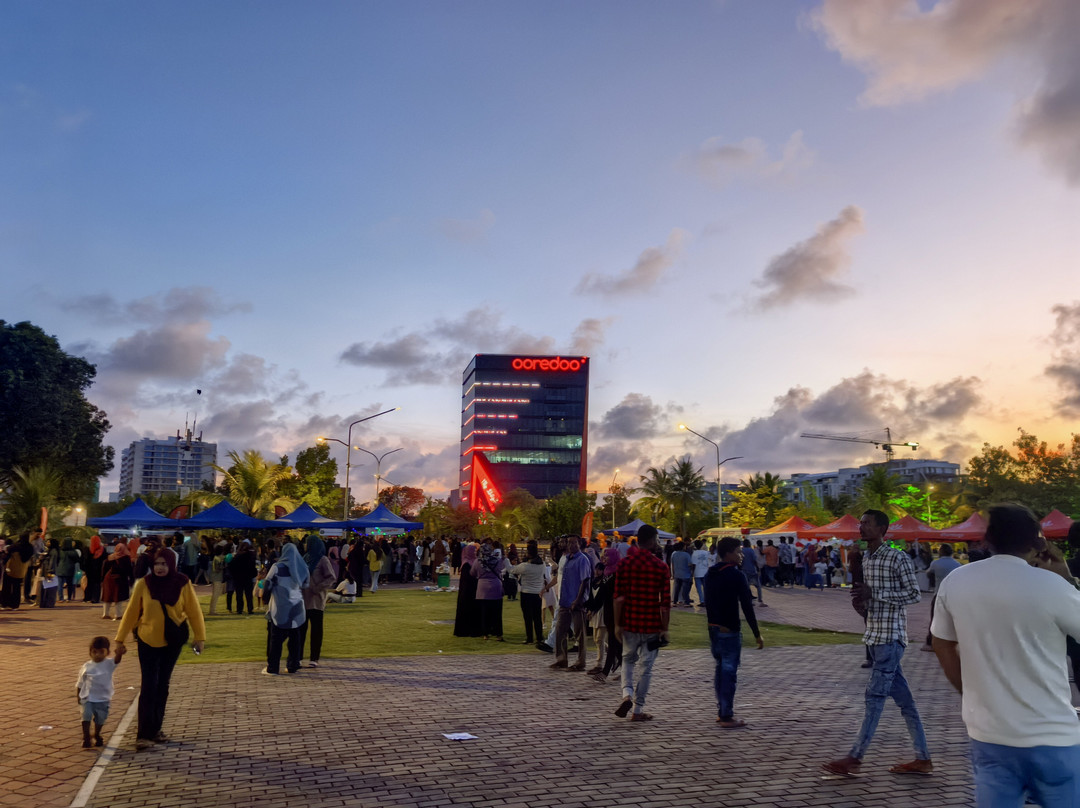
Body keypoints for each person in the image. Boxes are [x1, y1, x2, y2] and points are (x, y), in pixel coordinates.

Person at [931, 505, 1080, 807]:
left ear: (988, 539)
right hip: (1052, 735)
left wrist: (968, 691)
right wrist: (1068, 579)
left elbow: (942, 643)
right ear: (1038, 542)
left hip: (990, 732)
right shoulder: (1053, 586)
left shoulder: (957, 581)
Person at [822, 510, 931, 778]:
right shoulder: (867, 558)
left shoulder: (897, 557)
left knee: (874, 698)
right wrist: (862, 605)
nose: (862, 527)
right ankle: (923, 758)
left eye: (867, 523)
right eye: (861, 523)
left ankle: (855, 756)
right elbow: (872, 601)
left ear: (882, 529)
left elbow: (914, 594)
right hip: (874, 636)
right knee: (906, 704)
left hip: (890, 638)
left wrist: (876, 594)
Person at [115, 547, 206, 751]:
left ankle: (156, 729)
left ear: (171, 564)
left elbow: (193, 610)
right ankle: (143, 735)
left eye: (164, 564)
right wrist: (120, 639)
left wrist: (200, 637)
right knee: (149, 685)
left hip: (172, 641)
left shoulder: (182, 582)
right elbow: (131, 612)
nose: (160, 568)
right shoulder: (144, 584)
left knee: (162, 684)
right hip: (147, 639)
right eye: (157, 564)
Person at [704, 537, 764, 728]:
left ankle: (722, 710)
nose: (741, 555)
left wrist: (714, 623)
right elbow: (747, 606)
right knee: (729, 672)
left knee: (720, 669)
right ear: (728, 553)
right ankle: (726, 714)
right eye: (738, 551)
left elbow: (709, 602)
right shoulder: (736, 575)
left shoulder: (710, 573)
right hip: (729, 629)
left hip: (714, 628)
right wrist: (756, 633)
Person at [613, 524, 670, 722]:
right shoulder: (661, 567)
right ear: (653, 540)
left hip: (630, 622)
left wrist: (617, 624)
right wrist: (665, 628)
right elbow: (665, 603)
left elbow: (618, 598)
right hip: (652, 625)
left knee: (628, 660)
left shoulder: (625, 564)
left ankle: (626, 694)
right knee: (646, 668)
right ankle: (638, 709)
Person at [262, 542, 308, 675]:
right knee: (295, 639)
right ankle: (293, 665)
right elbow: (306, 584)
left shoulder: (277, 567)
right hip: (297, 608)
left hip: (280, 608)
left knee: (276, 639)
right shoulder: (302, 567)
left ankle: (273, 668)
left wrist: (265, 599)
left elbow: (267, 584)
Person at [550, 536, 592, 671]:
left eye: (574, 542)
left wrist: (578, 600)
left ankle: (581, 662)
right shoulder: (567, 559)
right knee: (560, 630)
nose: (571, 545)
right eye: (569, 543)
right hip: (565, 600)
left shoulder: (582, 559)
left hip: (577, 602)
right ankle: (561, 659)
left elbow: (585, 581)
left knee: (579, 633)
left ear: (579, 544)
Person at [76, 636, 125, 748]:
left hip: (103, 698)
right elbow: (80, 682)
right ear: (90, 652)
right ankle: (86, 738)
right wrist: (78, 696)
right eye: (94, 652)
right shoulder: (86, 666)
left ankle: (96, 734)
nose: (97, 655)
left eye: (101, 652)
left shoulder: (109, 664)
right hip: (87, 697)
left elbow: (117, 660)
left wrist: (120, 653)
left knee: (100, 719)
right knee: (86, 716)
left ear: (108, 652)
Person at [299, 535, 336, 668]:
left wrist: (318, 587)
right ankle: (298, 657)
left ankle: (314, 658)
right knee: (300, 630)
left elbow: (331, 577)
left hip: (316, 600)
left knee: (316, 630)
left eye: (307, 543)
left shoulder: (322, 559)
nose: (305, 545)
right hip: (303, 600)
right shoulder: (305, 558)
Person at [920, 543, 961, 651]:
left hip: (938, 594)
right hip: (953, 595)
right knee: (952, 620)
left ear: (940, 552)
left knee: (934, 619)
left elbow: (928, 573)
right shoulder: (957, 564)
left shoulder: (935, 563)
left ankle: (930, 642)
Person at [511, 540, 549, 645]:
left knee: (528, 617)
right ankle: (539, 637)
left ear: (529, 554)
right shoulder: (542, 565)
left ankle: (530, 638)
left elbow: (513, 570)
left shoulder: (525, 566)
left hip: (526, 592)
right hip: (537, 593)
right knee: (537, 616)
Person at [472, 542, 510, 641]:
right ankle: (498, 634)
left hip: (482, 589)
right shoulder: (497, 560)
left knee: (485, 613)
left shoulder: (477, 561)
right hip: (496, 587)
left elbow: (472, 573)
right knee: (497, 613)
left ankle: (485, 634)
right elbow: (501, 569)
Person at [453, 543, 482, 638]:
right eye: (473, 551)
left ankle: (467, 630)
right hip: (469, 592)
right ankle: (468, 631)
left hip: (467, 593)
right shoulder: (468, 564)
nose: (475, 553)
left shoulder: (468, 563)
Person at [101, 541, 133, 620]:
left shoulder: (110, 557)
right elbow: (129, 570)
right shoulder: (125, 558)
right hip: (119, 579)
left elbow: (104, 568)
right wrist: (131, 579)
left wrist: (102, 579)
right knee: (118, 597)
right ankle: (118, 615)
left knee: (107, 596)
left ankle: (105, 614)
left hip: (108, 578)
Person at [1, 533, 33, 610]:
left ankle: (5, 603)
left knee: (7, 587)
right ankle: (15, 605)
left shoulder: (16, 546)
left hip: (11, 568)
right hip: (21, 570)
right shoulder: (30, 547)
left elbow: (8, 551)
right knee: (17, 588)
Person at [228, 539, 257, 615]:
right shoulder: (250, 556)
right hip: (247, 577)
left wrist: (234, 575)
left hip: (238, 578)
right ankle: (250, 609)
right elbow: (253, 567)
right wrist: (253, 574)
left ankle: (239, 609)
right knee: (249, 595)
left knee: (239, 594)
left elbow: (231, 567)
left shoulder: (237, 557)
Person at [740, 539, 766, 606]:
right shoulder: (751, 550)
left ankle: (750, 600)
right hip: (752, 570)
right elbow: (754, 560)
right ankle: (760, 599)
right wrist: (757, 568)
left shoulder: (742, 551)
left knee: (747, 586)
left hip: (744, 570)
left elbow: (741, 561)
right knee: (758, 586)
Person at [669, 541, 693, 607]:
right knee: (685, 590)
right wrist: (691, 571)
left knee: (677, 589)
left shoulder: (674, 554)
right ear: (683, 547)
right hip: (686, 574)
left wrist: (673, 574)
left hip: (677, 574)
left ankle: (675, 601)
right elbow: (690, 564)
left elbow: (672, 565)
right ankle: (686, 602)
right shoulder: (686, 555)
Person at [83, 536, 106, 604]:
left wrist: (85, 570)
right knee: (97, 584)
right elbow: (105, 560)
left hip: (89, 570)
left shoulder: (88, 549)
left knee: (89, 583)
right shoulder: (102, 550)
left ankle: (88, 597)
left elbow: (86, 561)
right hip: (99, 570)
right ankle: (95, 598)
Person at [690, 539, 711, 607]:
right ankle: (706, 600)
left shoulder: (694, 553)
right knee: (706, 587)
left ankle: (702, 601)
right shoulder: (706, 552)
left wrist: (692, 573)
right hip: (705, 572)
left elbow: (694, 564)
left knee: (699, 588)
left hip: (697, 572)